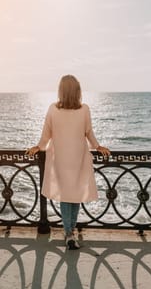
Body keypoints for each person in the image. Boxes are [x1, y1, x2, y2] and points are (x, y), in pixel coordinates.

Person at [26, 75, 110, 250]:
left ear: (61, 91)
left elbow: (46, 133)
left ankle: (69, 232)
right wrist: (98, 146)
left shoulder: (53, 109)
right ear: (77, 91)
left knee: (67, 196)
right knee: (75, 195)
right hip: (78, 157)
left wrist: (39, 146)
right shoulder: (84, 109)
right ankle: (70, 231)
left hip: (61, 158)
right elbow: (89, 132)